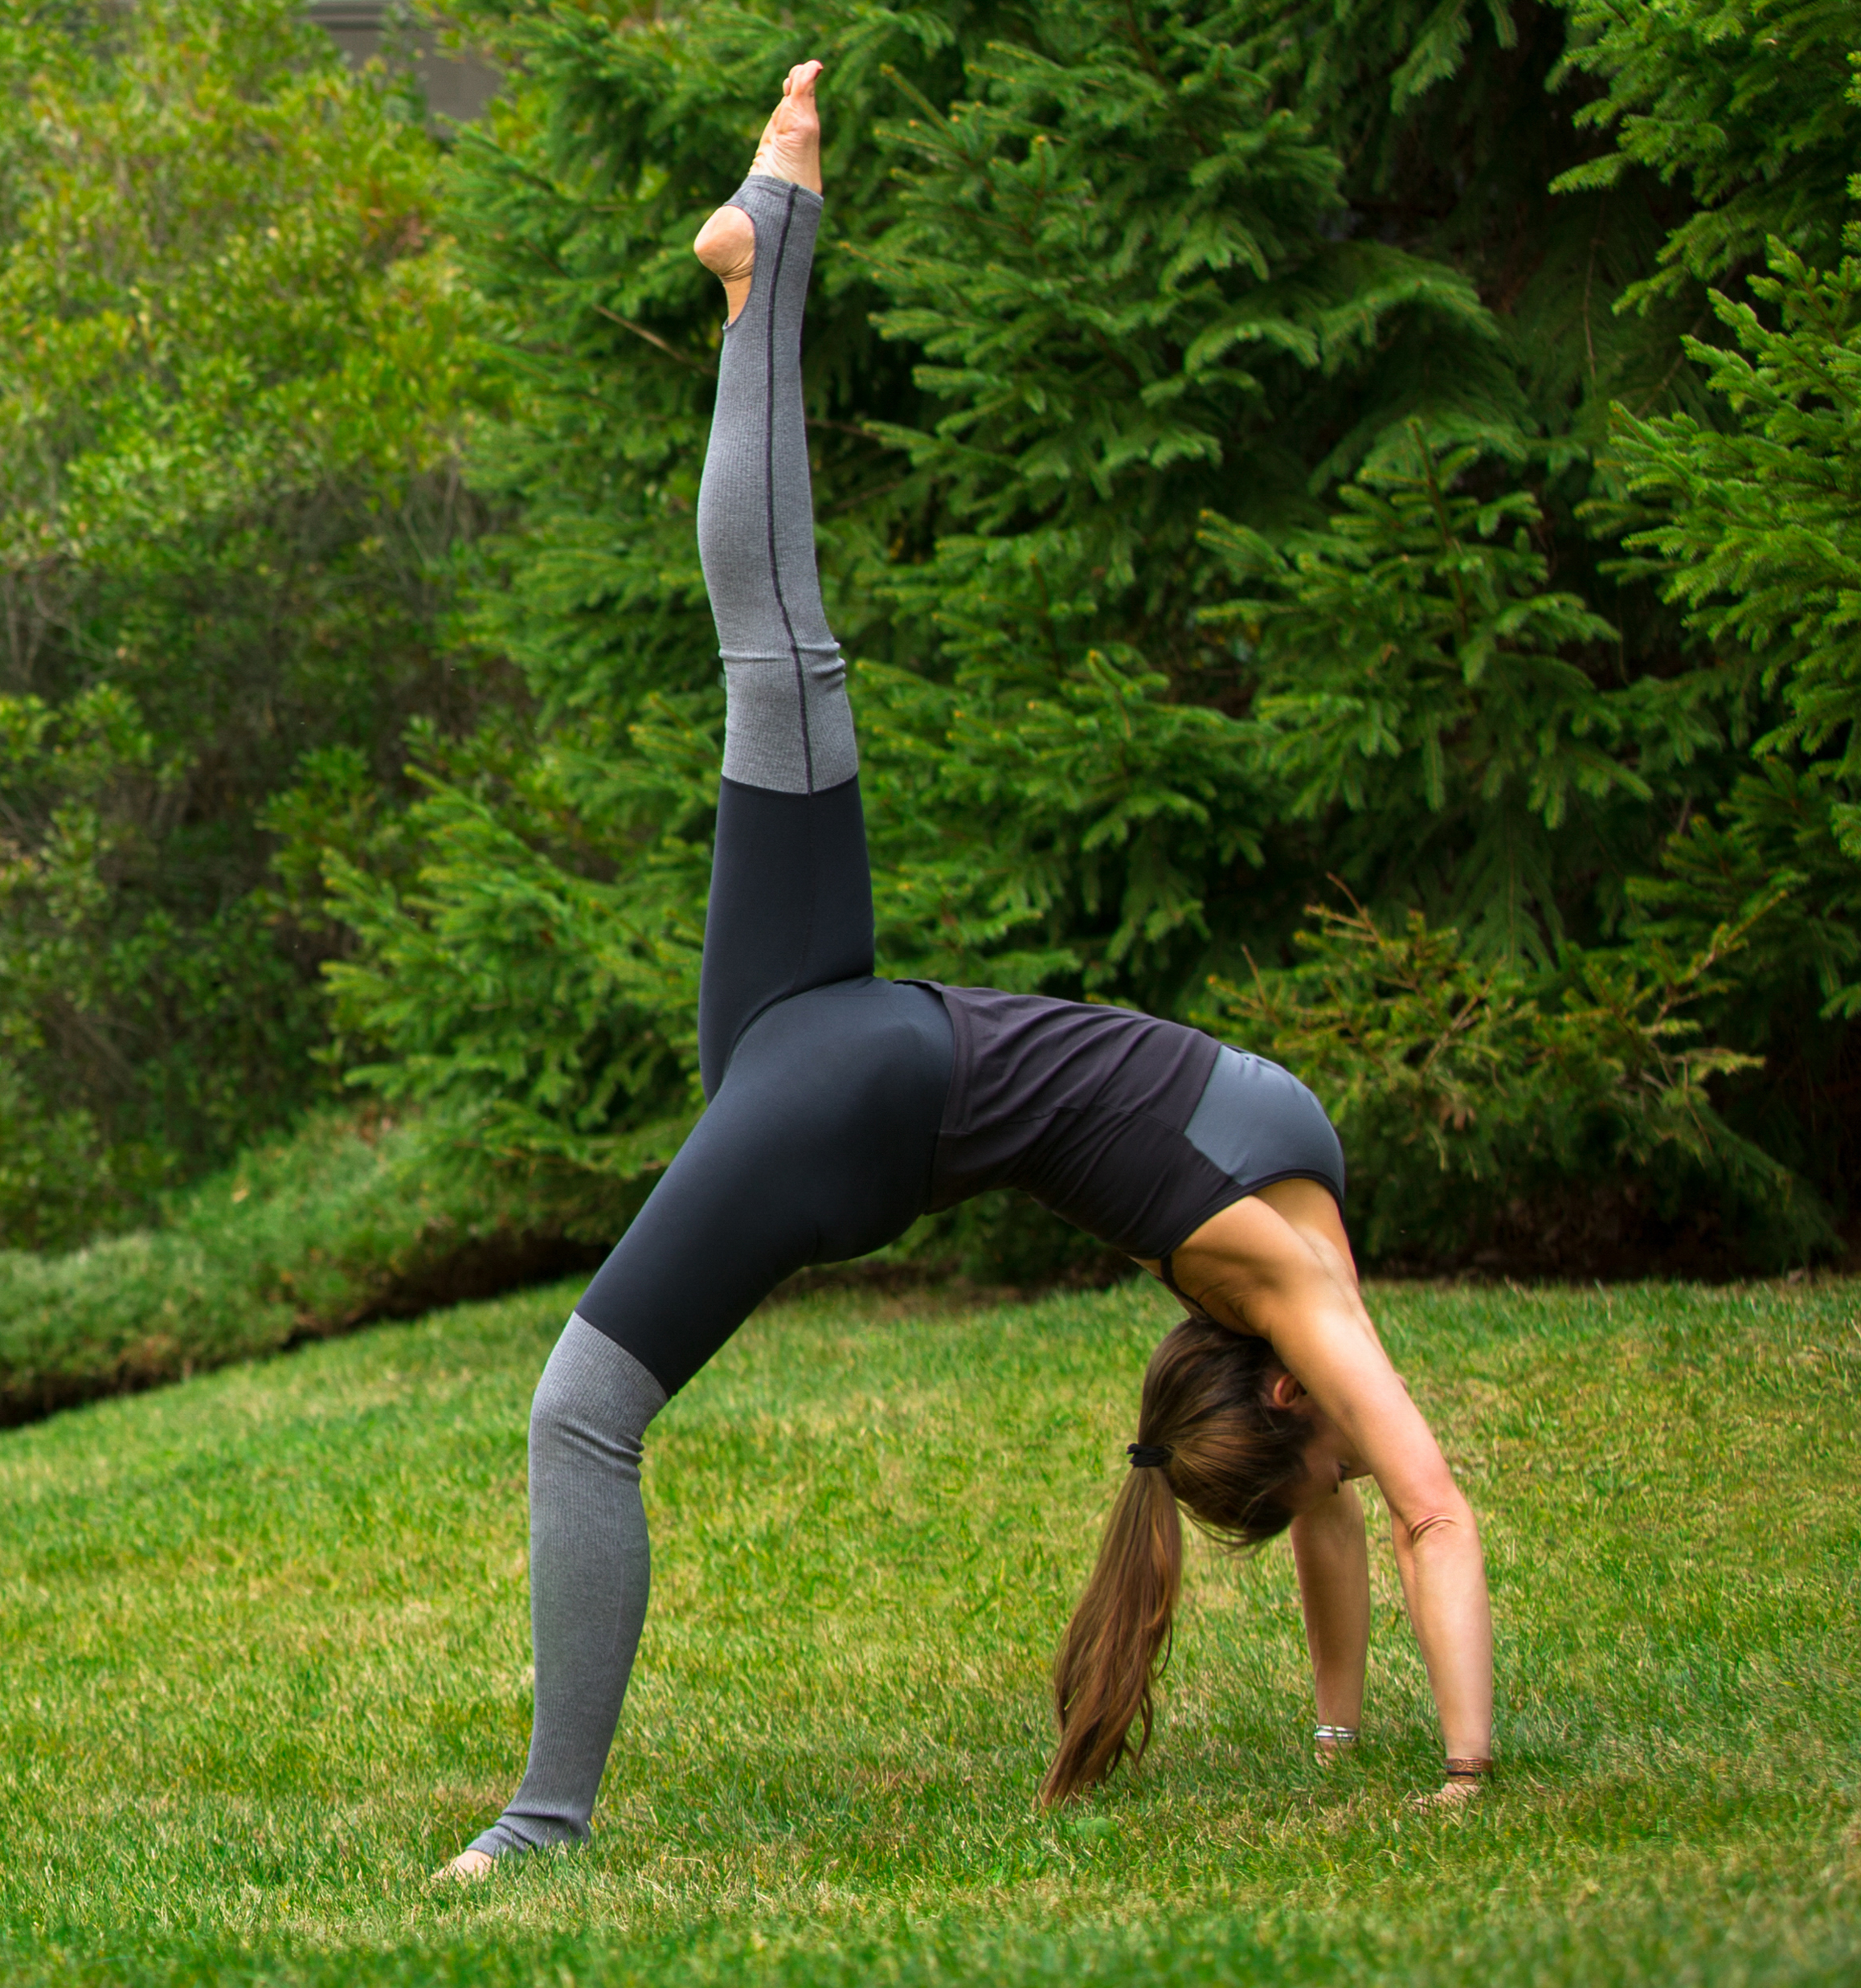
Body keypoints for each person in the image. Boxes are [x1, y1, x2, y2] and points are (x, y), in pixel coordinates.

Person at [429, 59, 1499, 1882]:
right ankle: (764, 247)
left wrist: (1442, 1761)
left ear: (1278, 1393)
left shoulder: (1289, 1271)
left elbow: (1391, 1501)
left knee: (577, 1413)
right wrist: (1393, 1755)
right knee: (778, 664)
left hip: (859, 1088)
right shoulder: (1290, 1303)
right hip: (833, 1039)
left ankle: (541, 1821)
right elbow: (1401, 1511)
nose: (1357, 1426)